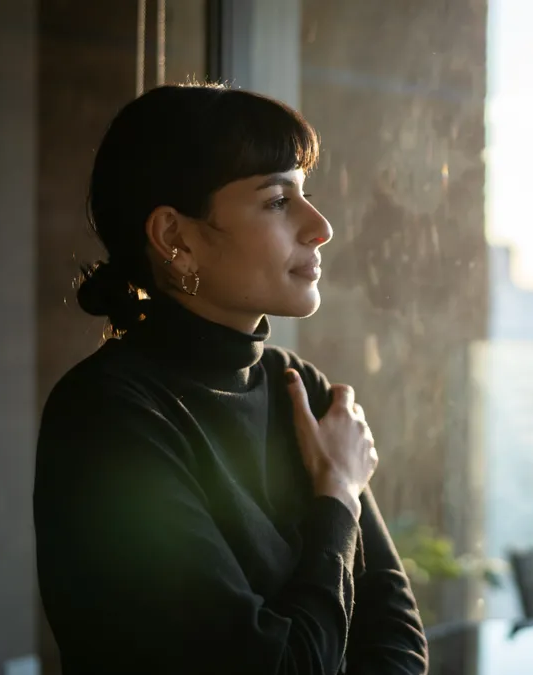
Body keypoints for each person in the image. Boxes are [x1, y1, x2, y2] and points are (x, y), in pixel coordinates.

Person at [33, 83, 428, 674]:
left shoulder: (303, 388)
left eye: (306, 194)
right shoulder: (107, 418)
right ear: (175, 238)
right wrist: (339, 498)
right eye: (276, 201)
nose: (320, 227)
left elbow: (398, 640)